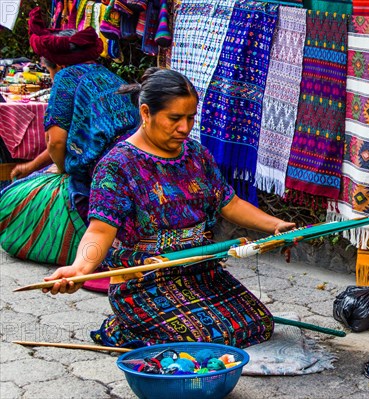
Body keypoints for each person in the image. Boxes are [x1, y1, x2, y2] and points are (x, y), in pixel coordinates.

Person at [44, 68, 296, 349]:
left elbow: (230, 203)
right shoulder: (117, 165)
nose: (185, 128)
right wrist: (80, 268)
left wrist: (275, 225)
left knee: (258, 323)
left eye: (190, 118)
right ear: (146, 112)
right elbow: (100, 230)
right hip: (145, 281)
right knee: (209, 338)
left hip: (199, 273)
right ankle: (124, 328)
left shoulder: (197, 154)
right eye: (175, 119)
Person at [0, 7, 139, 266]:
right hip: (132, 165)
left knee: (13, 201)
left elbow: (57, 142)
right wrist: (32, 165)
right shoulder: (105, 74)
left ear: (59, 64)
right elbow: (66, 141)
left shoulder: (66, 78)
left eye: (48, 69)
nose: (51, 75)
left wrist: (61, 169)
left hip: (101, 174)